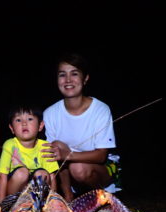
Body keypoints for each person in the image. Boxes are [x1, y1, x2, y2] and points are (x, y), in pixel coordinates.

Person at [42, 52, 119, 201]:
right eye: (62, 75)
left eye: (75, 74)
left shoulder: (100, 109)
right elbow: (54, 156)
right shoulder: (50, 113)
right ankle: (69, 197)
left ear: (85, 79)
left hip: (101, 169)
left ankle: (104, 197)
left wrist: (68, 155)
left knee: (78, 168)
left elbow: (102, 155)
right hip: (69, 173)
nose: (68, 80)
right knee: (55, 146)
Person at [0, 104, 59, 202]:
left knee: (42, 174)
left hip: (34, 195)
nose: (24, 123)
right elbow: (1, 176)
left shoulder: (45, 146)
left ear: (40, 126)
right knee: (22, 173)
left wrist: (54, 203)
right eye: (18, 120)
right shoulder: (10, 145)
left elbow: (51, 176)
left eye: (30, 119)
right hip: (12, 193)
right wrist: (1, 206)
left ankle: (40, 207)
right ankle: (10, 206)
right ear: (12, 128)